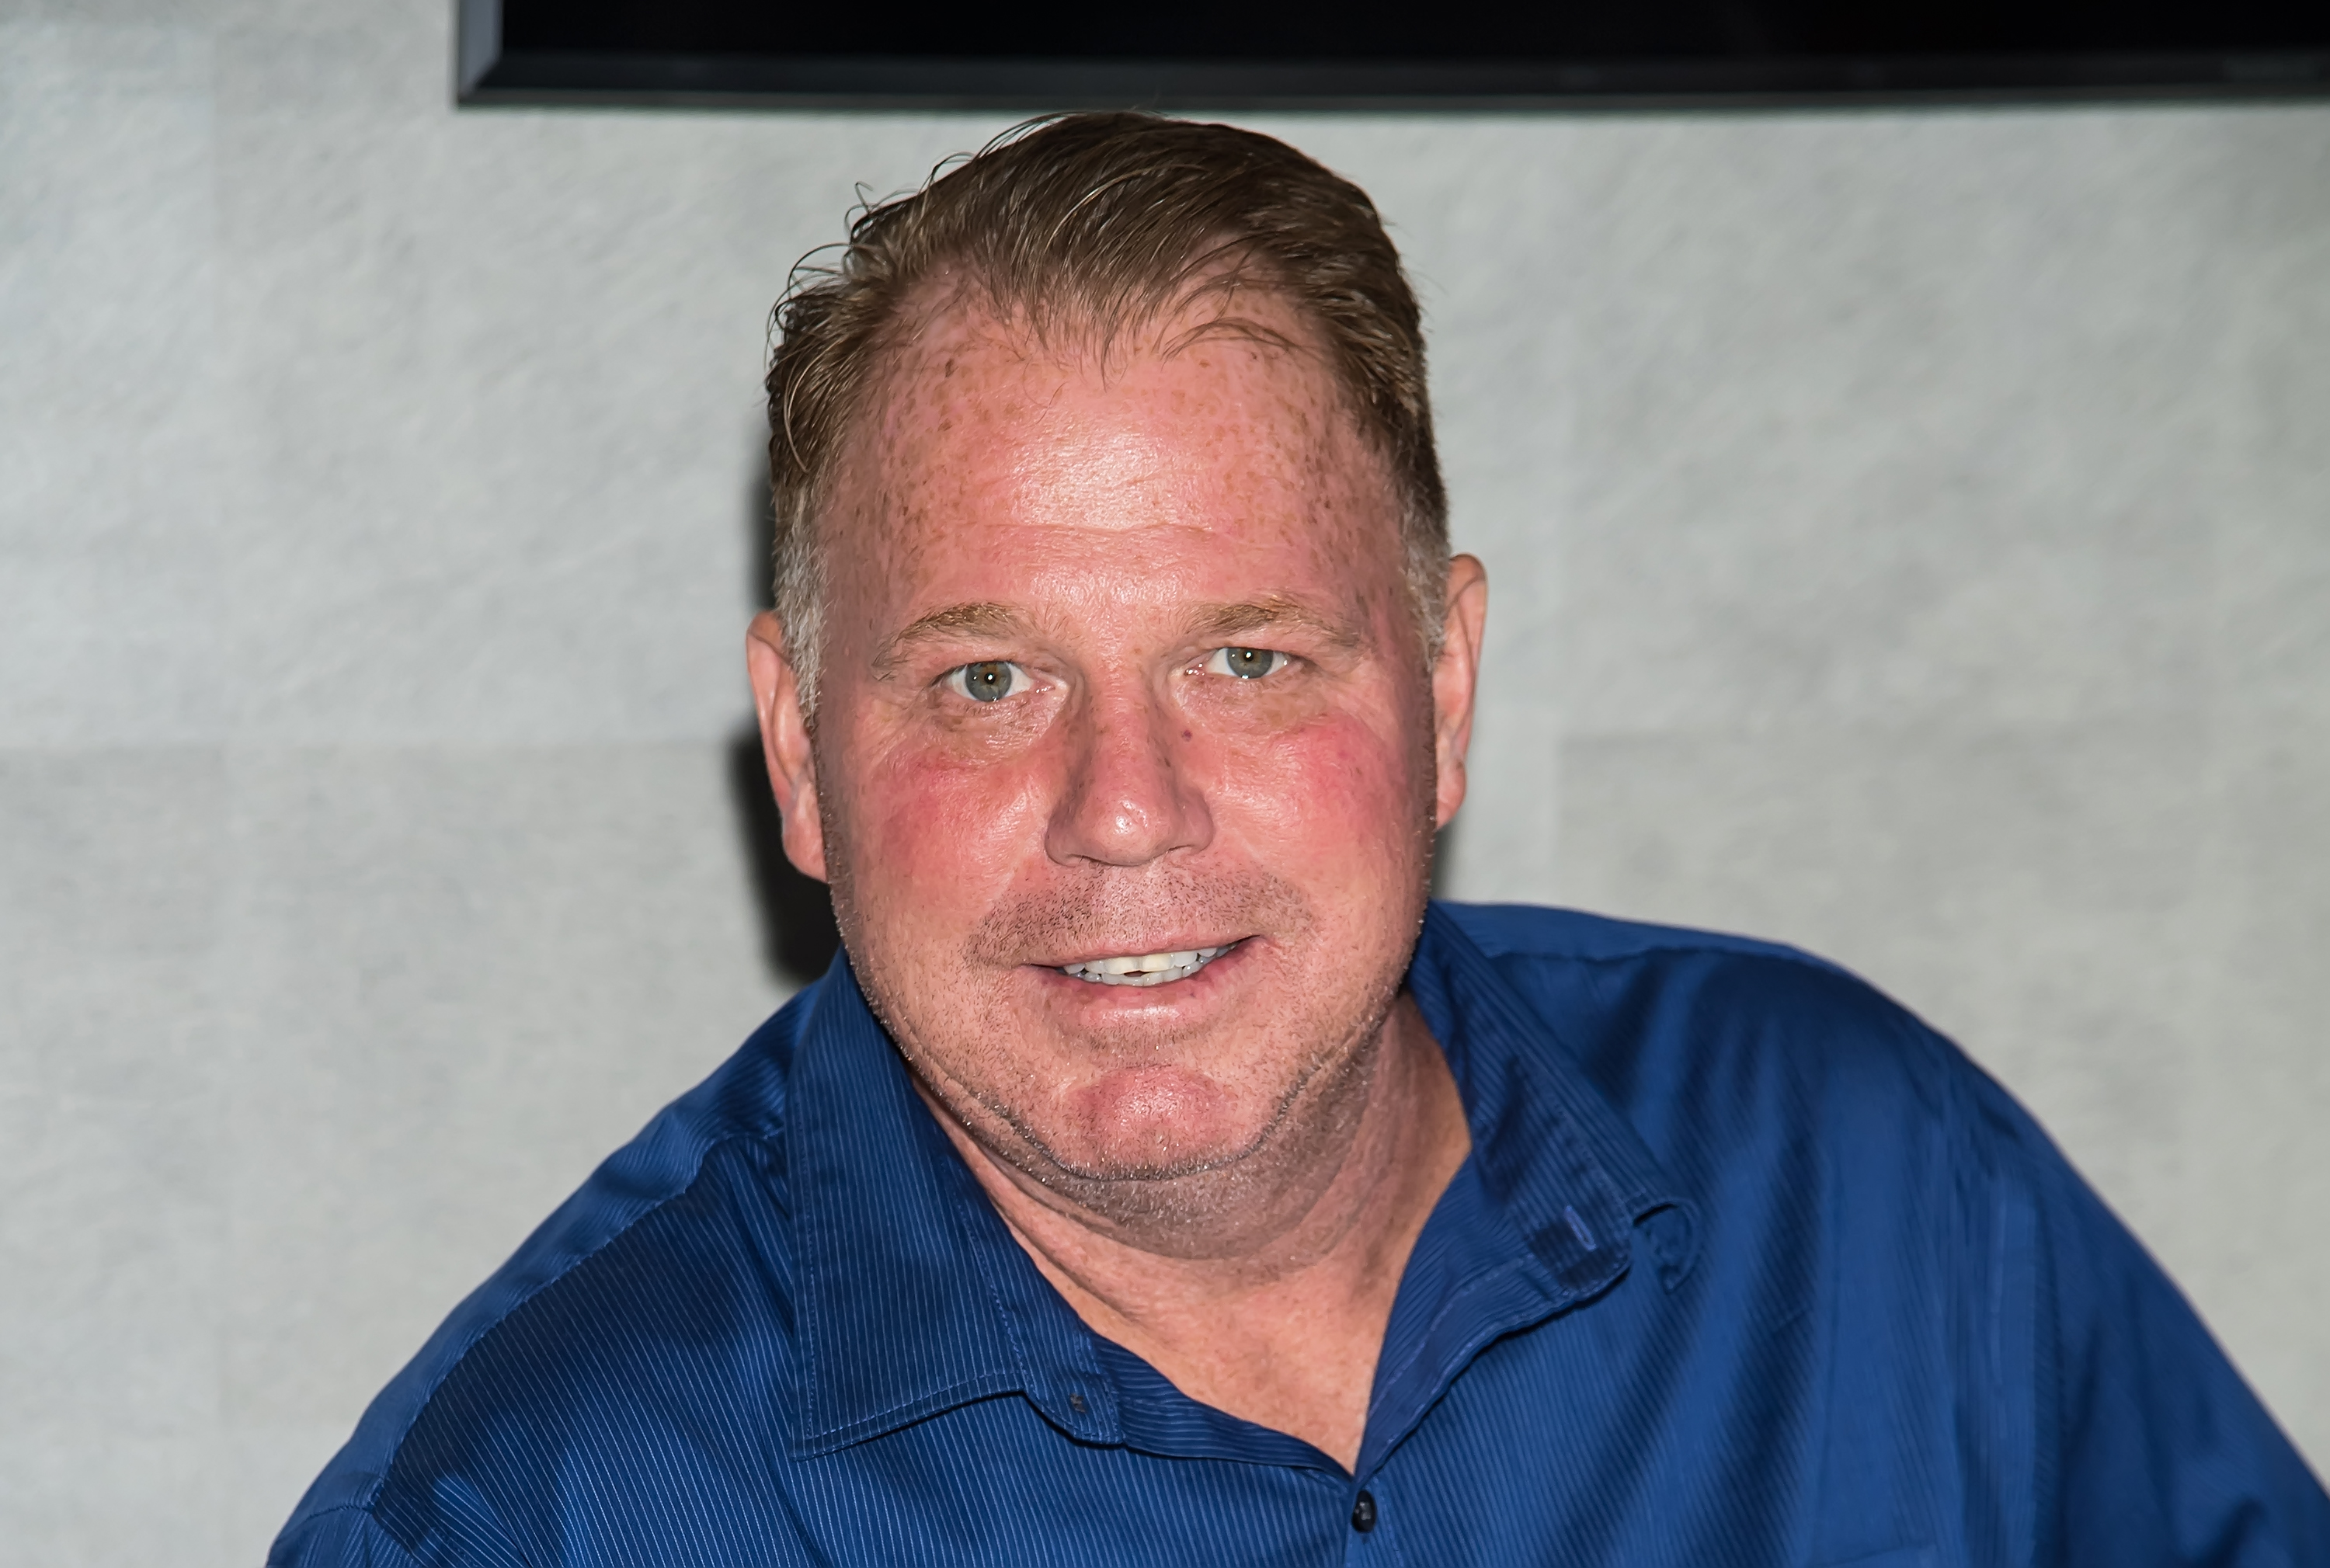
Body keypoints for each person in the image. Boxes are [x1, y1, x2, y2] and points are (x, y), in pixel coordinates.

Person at [270, 113, 2327, 1567]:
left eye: (1249, 659)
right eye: (989, 679)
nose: (1126, 805)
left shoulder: (1874, 1185)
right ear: (802, 752)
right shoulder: (528, 1517)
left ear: (1442, 682)